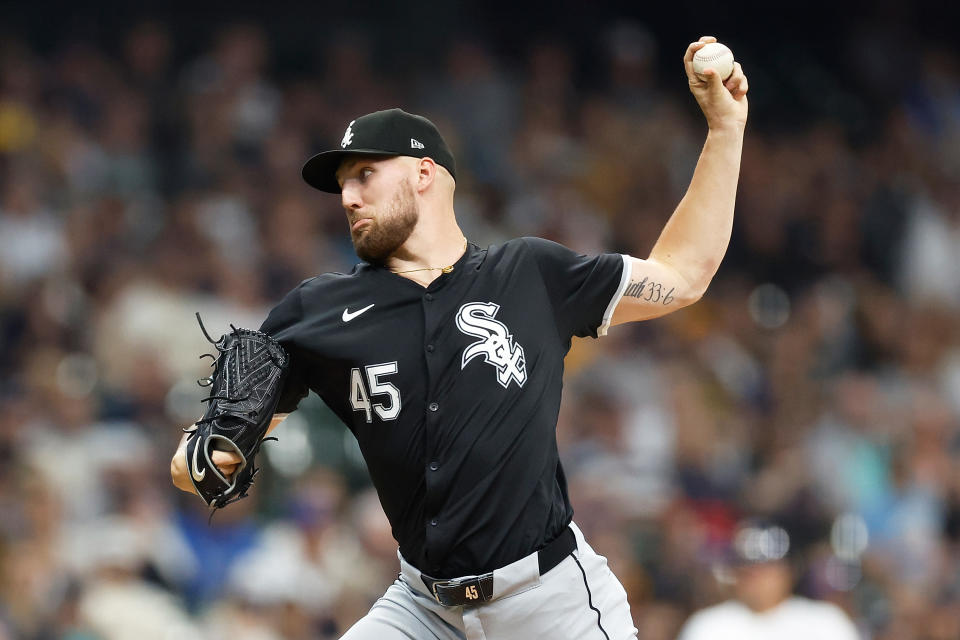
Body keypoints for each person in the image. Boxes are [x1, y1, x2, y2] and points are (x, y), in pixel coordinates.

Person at [171, 36, 748, 639]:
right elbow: (209, 448)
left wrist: (724, 131)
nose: (347, 196)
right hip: (422, 609)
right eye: (342, 184)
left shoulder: (529, 275)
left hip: (551, 604)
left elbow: (682, 278)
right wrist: (200, 456)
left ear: (425, 173)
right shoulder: (316, 311)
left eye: (365, 174)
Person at [676, 520, 861, 640]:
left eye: (766, 567)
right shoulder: (709, 626)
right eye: (747, 567)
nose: (756, 575)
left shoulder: (824, 621)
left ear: (788, 570)